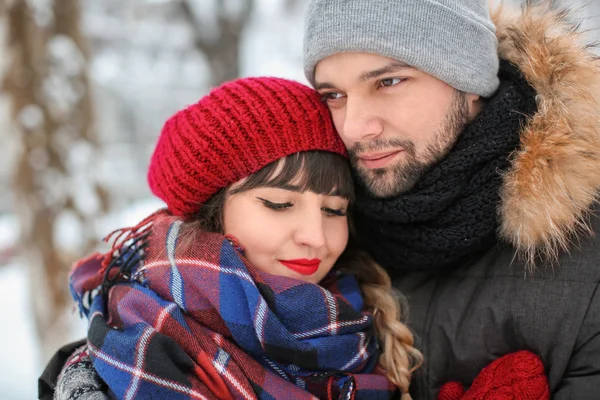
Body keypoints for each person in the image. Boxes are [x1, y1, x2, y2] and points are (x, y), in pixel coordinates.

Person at [39, 77, 423, 400]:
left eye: (334, 210)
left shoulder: (368, 318)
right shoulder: (134, 352)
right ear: (212, 210)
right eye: (278, 204)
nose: (316, 238)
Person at [303, 0, 600, 398]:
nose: (355, 127)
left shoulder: (587, 243)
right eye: (334, 94)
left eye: (388, 82)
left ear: (470, 82)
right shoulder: (320, 242)